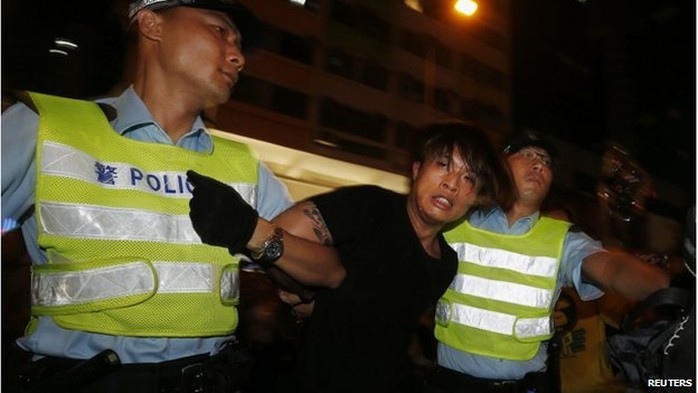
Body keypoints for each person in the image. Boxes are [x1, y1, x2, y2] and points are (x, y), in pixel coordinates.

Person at [1, 1, 293, 392]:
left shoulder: (245, 166)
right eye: (219, 31)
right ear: (153, 23)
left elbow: (308, 271)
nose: (237, 56)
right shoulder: (46, 127)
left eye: (238, 43)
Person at [187, 120, 512, 393]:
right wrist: (305, 287)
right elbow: (278, 233)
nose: (452, 183)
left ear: (475, 198)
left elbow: (390, 323)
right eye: (443, 164)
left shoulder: (445, 263)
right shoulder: (372, 207)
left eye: (469, 178)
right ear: (417, 169)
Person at [425, 132, 670, 393]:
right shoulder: (456, 220)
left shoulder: (562, 239)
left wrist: (667, 284)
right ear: (500, 165)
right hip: (450, 385)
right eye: (527, 155)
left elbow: (611, 268)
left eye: (546, 161)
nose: (539, 164)